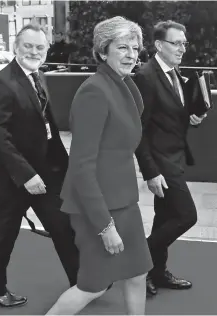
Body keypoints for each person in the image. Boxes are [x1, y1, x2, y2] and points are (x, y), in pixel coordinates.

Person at [46, 16, 153, 315]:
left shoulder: (126, 86)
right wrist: (105, 225)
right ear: (103, 51)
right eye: (123, 47)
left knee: (137, 273)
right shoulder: (94, 91)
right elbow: (81, 166)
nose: (132, 54)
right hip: (98, 207)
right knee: (92, 286)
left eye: (135, 48)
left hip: (124, 202)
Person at [0, 23, 79, 308]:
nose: (34, 51)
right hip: (16, 178)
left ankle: (83, 281)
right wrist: (26, 175)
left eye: (40, 47)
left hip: (47, 173)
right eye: (28, 46)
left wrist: (64, 165)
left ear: (46, 50)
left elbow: (47, 126)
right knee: (3, 236)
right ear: (16, 47)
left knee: (64, 227)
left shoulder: (38, 75)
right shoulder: (2, 82)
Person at [134, 20, 207, 296]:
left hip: (175, 155)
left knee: (163, 218)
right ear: (159, 45)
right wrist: (150, 172)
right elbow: (139, 129)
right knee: (187, 215)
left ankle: (155, 273)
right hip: (161, 161)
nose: (182, 48)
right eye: (176, 43)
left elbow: (174, 114)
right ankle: (139, 263)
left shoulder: (175, 72)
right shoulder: (145, 76)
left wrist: (193, 116)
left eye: (184, 43)